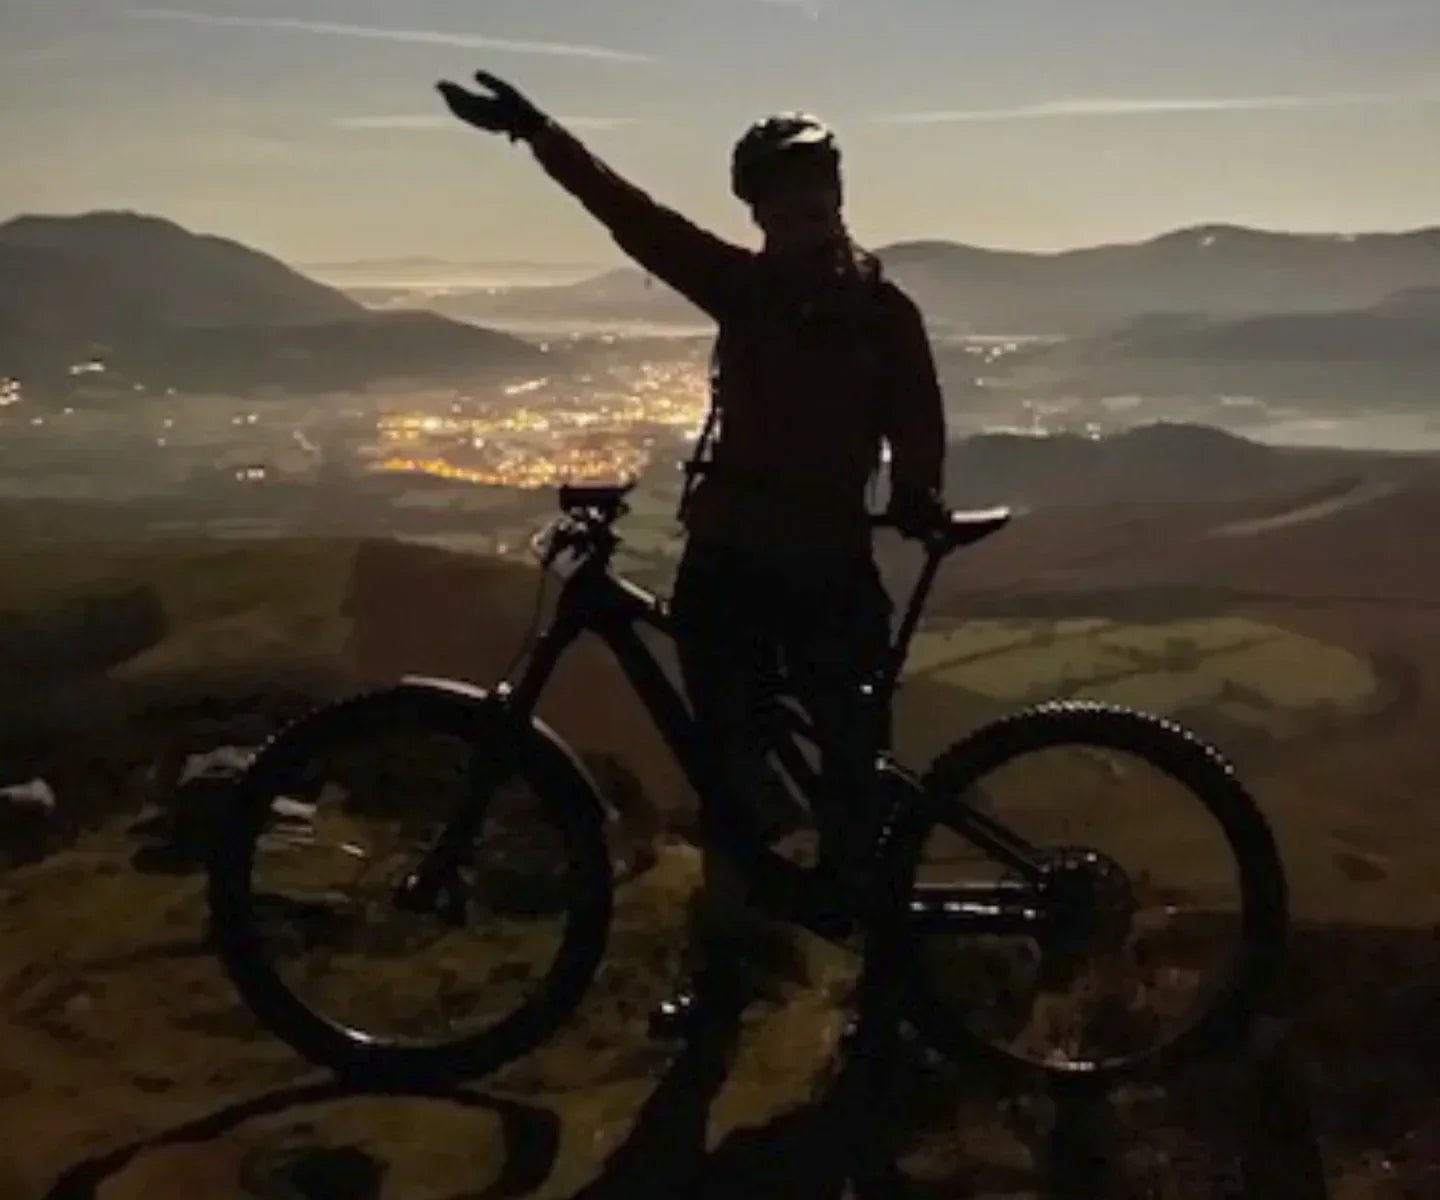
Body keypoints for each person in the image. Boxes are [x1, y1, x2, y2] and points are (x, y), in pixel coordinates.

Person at [437, 71, 949, 1035]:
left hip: (824, 565)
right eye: (781, 196)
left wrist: (920, 494)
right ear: (758, 212)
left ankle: (884, 981)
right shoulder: (745, 291)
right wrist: (538, 133)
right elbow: (631, 217)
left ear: (836, 198)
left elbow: (918, 423)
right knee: (727, 772)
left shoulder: (884, 314)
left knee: (852, 773)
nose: (802, 210)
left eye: (814, 191)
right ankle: (733, 969)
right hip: (735, 562)